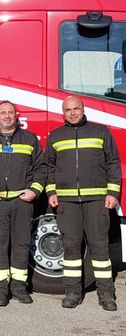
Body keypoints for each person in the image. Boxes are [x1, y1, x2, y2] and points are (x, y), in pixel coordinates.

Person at [46, 95, 121, 311]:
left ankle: (106, 293)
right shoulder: (56, 136)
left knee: (100, 247)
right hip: (67, 201)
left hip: (97, 199)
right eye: (68, 109)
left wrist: (112, 192)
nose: (72, 113)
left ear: (82, 108)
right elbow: (49, 166)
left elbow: (113, 162)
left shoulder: (100, 131)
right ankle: (72, 292)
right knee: (70, 248)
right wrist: (52, 192)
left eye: (76, 108)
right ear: (63, 112)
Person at [0, 101, 46, 307]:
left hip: (22, 201)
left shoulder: (30, 138)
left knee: (21, 244)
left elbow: (41, 168)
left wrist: (34, 191)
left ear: (17, 116)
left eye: (11, 112)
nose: (7, 116)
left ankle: (18, 287)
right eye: (3, 113)